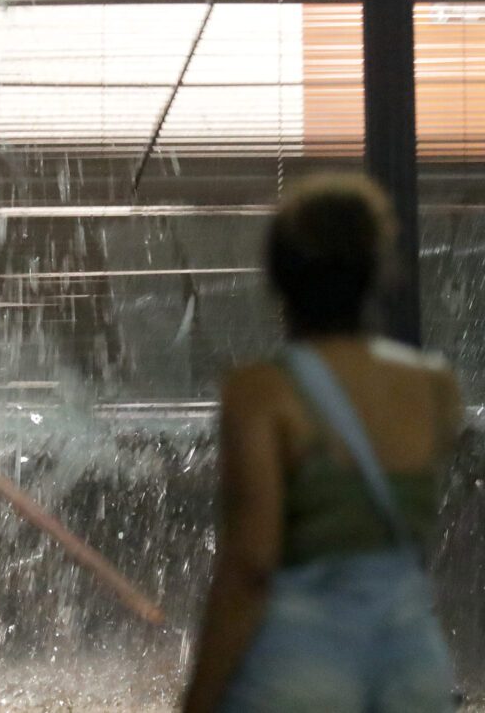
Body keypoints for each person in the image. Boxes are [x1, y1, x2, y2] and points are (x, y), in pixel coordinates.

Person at [184, 174, 461, 713]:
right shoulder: (435, 388)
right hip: (411, 665)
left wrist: (198, 700)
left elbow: (251, 563)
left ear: (279, 278)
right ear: (378, 272)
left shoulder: (260, 393)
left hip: (300, 669)